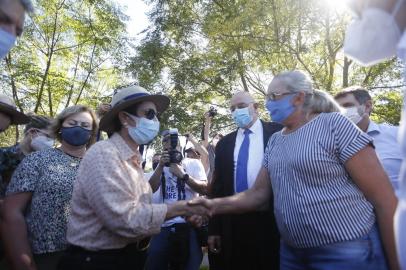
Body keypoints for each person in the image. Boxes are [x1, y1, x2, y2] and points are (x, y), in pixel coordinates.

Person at [191, 70, 399, 270]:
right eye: (267, 97)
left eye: (274, 96)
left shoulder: (335, 124)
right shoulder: (276, 140)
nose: (267, 103)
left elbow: (384, 200)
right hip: (292, 253)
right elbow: (256, 195)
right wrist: (207, 206)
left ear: (299, 97)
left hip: (345, 251)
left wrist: (397, 263)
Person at [58, 85, 208, 270]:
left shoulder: (132, 158)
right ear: (125, 118)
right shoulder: (105, 154)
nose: (155, 121)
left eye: (156, 115)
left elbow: (141, 206)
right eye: (149, 114)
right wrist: (184, 207)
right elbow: (124, 220)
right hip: (97, 261)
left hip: (127, 256)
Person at [343, 1, 406, 268]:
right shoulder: (337, 145)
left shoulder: (393, 136)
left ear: (367, 106)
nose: (356, 11)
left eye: (347, 106)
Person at [1, 105, 98, 270]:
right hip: (43, 257)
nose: (78, 128)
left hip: (88, 255)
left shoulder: (99, 166)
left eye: (85, 126)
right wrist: (25, 263)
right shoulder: (37, 160)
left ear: (91, 133)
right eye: (72, 123)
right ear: (60, 127)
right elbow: (11, 212)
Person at [207, 91, 282, 270]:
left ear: (255, 107)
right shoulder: (225, 143)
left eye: (241, 106)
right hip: (232, 224)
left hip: (271, 221)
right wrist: (214, 229)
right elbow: (217, 189)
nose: (236, 111)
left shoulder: (278, 133)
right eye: (232, 109)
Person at [145, 130, 208, 270]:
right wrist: (160, 166)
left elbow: (204, 189)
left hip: (189, 225)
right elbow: (150, 189)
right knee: (153, 263)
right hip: (164, 226)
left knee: (190, 265)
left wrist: (183, 175)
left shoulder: (193, 163)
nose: (169, 143)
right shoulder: (161, 166)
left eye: (172, 139)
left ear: (179, 142)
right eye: (165, 140)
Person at [335, 86, 403, 195]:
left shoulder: (398, 135)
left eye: (347, 106)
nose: (341, 113)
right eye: (337, 109)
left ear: (367, 106)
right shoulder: (333, 148)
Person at [0, 114, 53, 197]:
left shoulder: (46, 166)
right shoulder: (4, 156)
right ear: (32, 132)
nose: (51, 142)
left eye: (53, 139)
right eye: (48, 136)